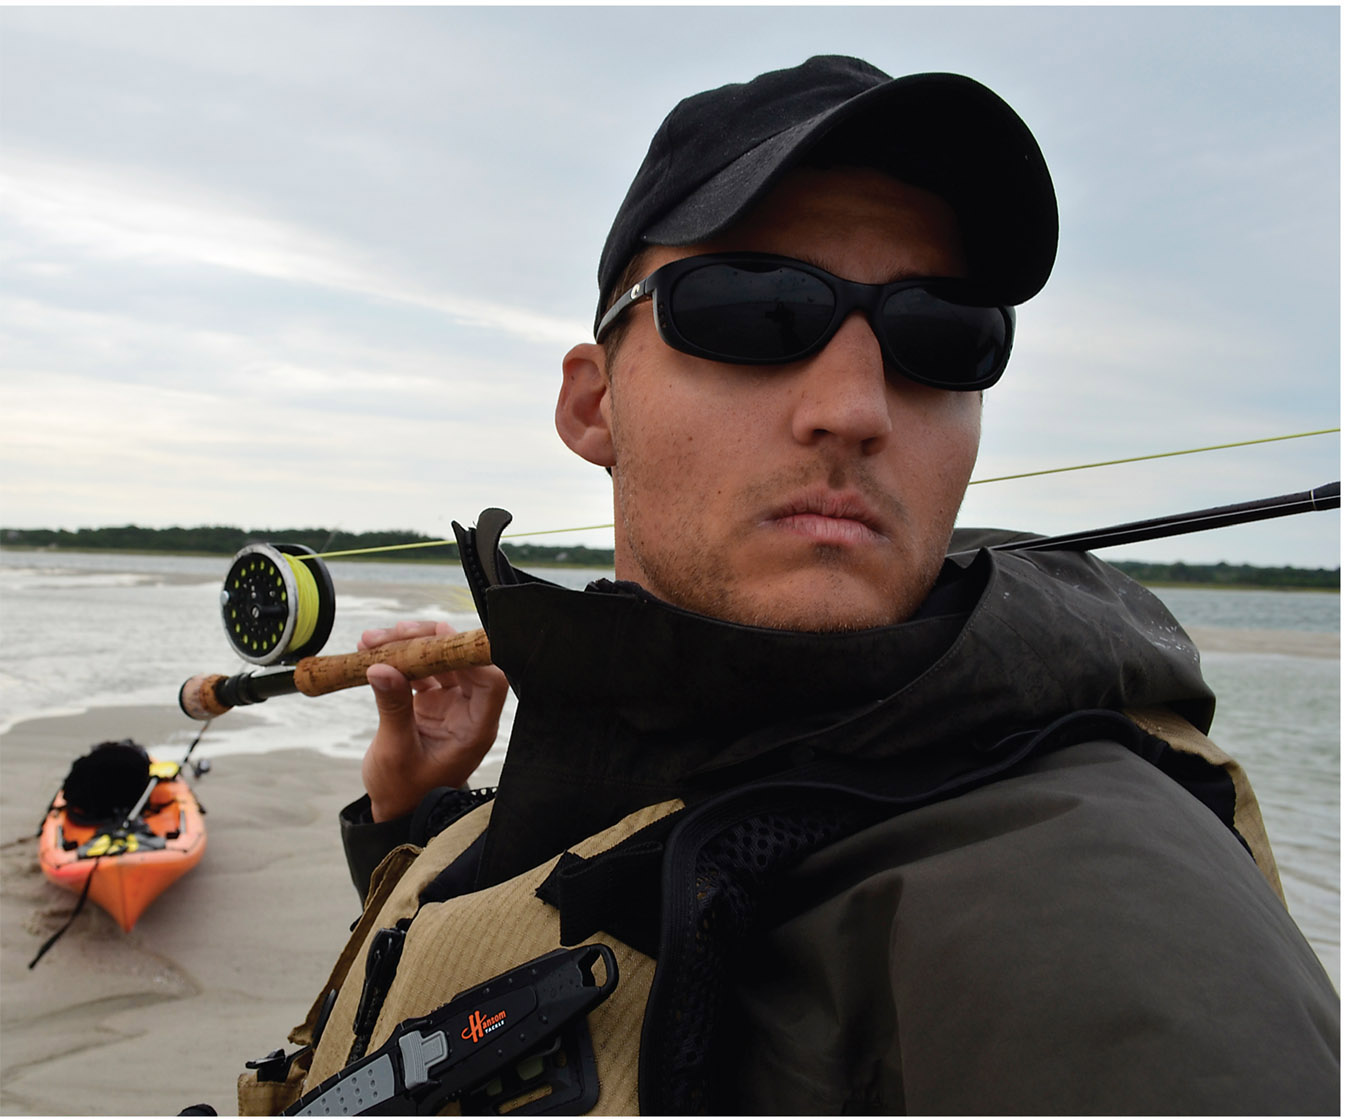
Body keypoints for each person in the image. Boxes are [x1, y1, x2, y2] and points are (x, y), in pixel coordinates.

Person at [236, 56, 1339, 1115]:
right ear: (593, 403)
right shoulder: (605, 742)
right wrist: (414, 820)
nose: (855, 407)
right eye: (756, 310)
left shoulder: (1093, 891)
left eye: (938, 337)